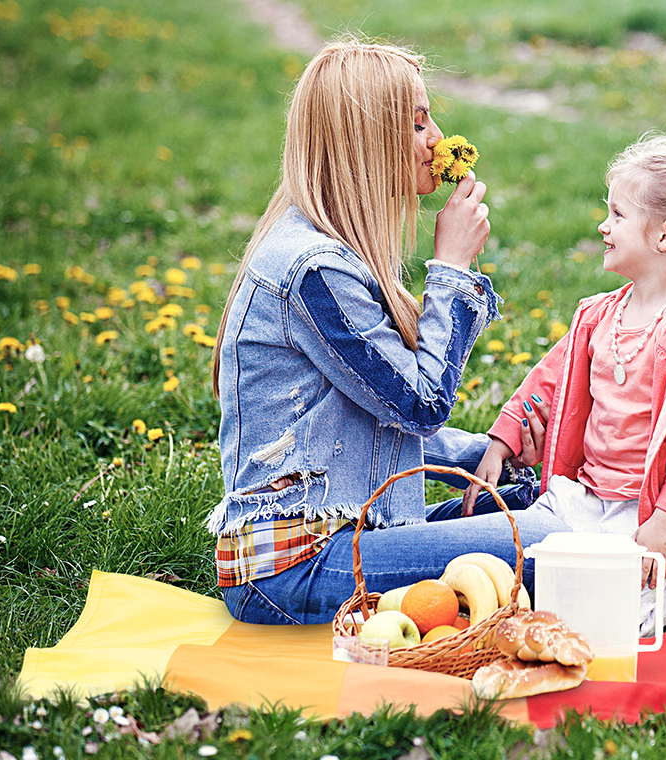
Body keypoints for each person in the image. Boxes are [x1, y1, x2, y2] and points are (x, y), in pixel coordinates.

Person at [207, 37, 566, 625]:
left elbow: (369, 433)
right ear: (368, 144)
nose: (436, 140)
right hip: (293, 570)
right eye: (418, 123)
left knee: (532, 496)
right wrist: (451, 270)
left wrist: (493, 455)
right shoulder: (313, 270)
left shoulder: (335, 254)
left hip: (353, 531)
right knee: (555, 538)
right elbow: (421, 405)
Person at [464, 134, 666, 635]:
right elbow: (548, 378)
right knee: (540, 587)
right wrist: (504, 438)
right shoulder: (598, 316)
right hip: (587, 495)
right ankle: (648, 579)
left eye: (617, 215)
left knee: (617, 627)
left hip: (648, 511)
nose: (603, 227)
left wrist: (665, 525)